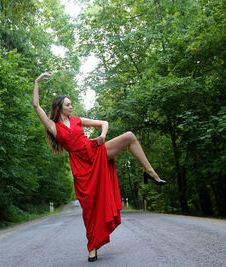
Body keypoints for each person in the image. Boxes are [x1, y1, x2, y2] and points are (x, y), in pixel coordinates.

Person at [32, 72, 166, 262]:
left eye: (71, 104)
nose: (71, 106)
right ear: (60, 108)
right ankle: (92, 247)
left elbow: (104, 122)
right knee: (90, 208)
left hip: (95, 152)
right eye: (68, 104)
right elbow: (36, 106)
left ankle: (150, 172)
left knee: (129, 136)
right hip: (81, 168)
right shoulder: (54, 127)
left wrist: (102, 136)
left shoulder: (78, 120)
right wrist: (37, 82)